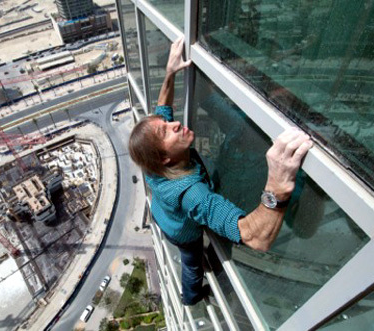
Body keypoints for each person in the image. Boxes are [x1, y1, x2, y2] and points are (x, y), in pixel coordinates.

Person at [128, 37, 313, 306]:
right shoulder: (193, 195)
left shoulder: (154, 161)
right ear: (166, 158)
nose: (175, 123)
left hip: (161, 213)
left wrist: (170, 73)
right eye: (165, 130)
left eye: (167, 124)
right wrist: (278, 183)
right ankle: (190, 298)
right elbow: (255, 237)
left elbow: (162, 108)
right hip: (182, 233)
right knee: (192, 265)